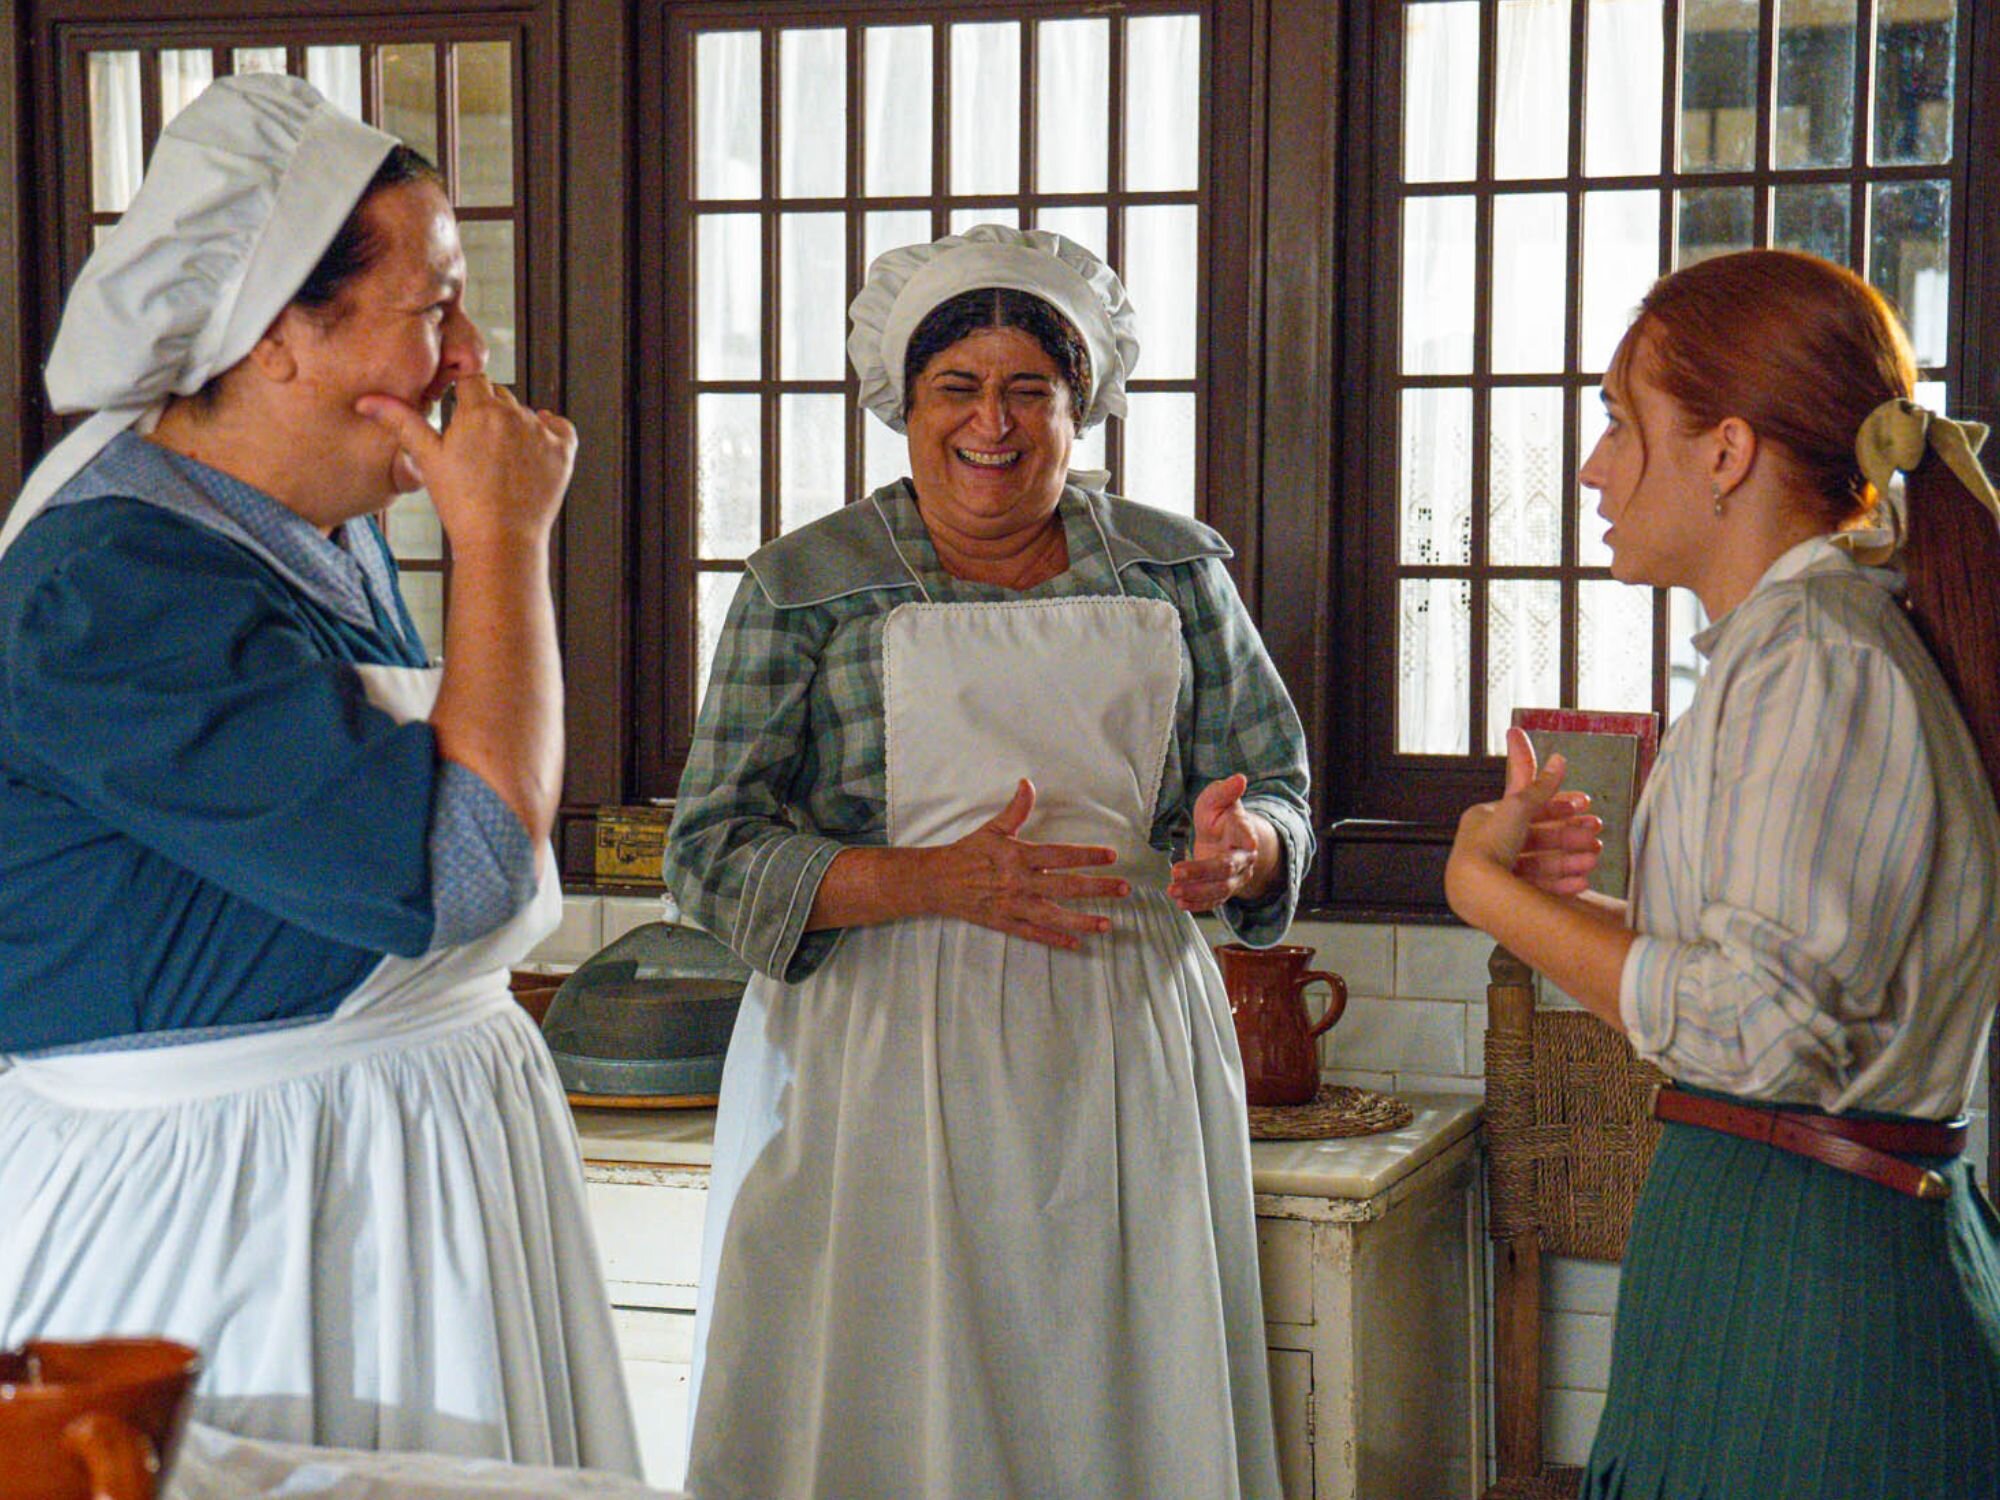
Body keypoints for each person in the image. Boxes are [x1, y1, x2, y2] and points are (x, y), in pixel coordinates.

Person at [0, 75, 639, 1471]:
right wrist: (506, 543)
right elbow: (462, 877)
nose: (469, 356)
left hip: (384, 1165)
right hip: (228, 1212)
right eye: (435, 307)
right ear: (284, 328)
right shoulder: (110, 587)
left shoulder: (311, 533)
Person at [664, 223, 1310, 1499]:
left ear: (1086, 405)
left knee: (1112, 1385)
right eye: (956, 389)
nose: (993, 425)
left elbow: (1275, 782)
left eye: (1031, 390)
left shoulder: (1176, 571)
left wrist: (1239, 851)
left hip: (1125, 1034)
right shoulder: (807, 587)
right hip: (885, 1050)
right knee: (901, 1395)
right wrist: (926, 882)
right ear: (901, 404)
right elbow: (708, 850)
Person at [1446, 249, 2000, 1497]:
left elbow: (1759, 1033)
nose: (1592, 467)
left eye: (1616, 422)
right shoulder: (1793, 649)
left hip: (1810, 1277)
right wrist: (1547, 906)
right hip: (1771, 1243)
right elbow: (1755, 985)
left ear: (1724, 453)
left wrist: (1486, 899)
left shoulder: (1815, 660)